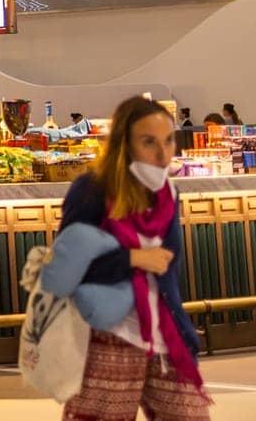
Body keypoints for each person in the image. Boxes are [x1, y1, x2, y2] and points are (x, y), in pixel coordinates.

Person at [45, 96, 208, 420]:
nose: (162, 154)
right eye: (149, 142)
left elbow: (169, 267)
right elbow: (66, 267)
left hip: (164, 335)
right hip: (107, 339)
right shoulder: (92, 190)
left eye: (168, 141)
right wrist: (132, 258)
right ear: (124, 144)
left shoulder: (168, 195)